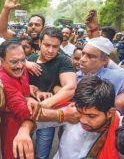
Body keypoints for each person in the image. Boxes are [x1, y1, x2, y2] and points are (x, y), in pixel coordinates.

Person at [0, 40, 79, 159]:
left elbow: (23, 89)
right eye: (14, 62)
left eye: (22, 60)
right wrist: (62, 114)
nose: (19, 66)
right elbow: (29, 113)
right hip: (12, 133)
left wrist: (34, 93)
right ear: (2, 62)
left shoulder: (22, 68)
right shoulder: (3, 80)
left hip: (25, 127)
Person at [14, 76, 121, 159]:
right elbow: (36, 120)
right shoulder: (71, 112)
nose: (83, 120)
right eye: (80, 112)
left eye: (91, 116)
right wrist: (24, 130)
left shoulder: (121, 130)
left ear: (110, 113)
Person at [27, 27, 77, 159]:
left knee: (41, 155)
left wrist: (45, 105)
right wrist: (29, 87)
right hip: (26, 112)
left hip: (49, 116)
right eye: (47, 45)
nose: (50, 50)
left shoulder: (63, 60)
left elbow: (70, 88)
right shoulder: (30, 59)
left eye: (55, 46)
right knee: (23, 150)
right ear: (39, 43)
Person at [77, 37, 124, 112]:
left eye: (90, 56)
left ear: (105, 60)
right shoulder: (74, 76)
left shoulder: (118, 76)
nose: (82, 59)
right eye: (83, 54)